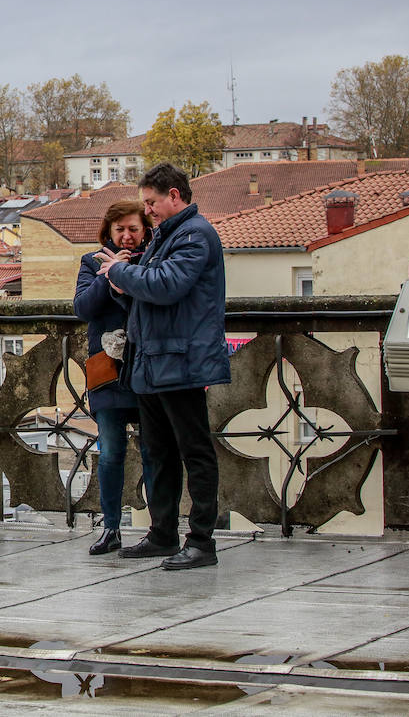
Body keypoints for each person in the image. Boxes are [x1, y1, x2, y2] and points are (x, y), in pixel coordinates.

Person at [99, 163, 230, 570]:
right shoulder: (169, 235)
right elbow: (149, 291)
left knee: (194, 451)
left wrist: (120, 271)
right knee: (159, 452)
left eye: (152, 202)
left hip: (182, 362)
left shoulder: (195, 235)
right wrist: (123, 284)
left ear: (174, 195)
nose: (148, 210)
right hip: (155, 361)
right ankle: (163, 534)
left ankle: (202, 542)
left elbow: (167, 285)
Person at [73, 199, 153, 555]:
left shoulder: (154, 261)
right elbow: (83, 308)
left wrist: (128, 273)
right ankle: (111, 528)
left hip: (147, 366)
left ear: (145, 231)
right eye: (119, 230)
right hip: (106, 370)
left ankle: (160, 527)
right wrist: (109, 274)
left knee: (155, 451)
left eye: (133, 229)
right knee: (110, 453)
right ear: (108, 232)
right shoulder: (92, 262)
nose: (126, 237)